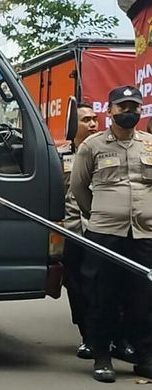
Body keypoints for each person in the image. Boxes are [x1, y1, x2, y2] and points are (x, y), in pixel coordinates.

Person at [70, 85, 152, 383]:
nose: (129, 113)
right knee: (102, 296)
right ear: (111, 110)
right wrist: (98, 215)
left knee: (143, 297)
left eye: (134, 107)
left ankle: (144, 356)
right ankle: (102, 357)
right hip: (105, 234)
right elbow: (79, 187)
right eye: (123, 107)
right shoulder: (92, 146)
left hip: (144, 234)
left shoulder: (149, 144)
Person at [60, 102, 98, 360]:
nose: (93, 124)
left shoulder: (105, 152)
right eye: (86, 120)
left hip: (102, 231)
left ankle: (117, 338)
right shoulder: (59, 157)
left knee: (105, 287)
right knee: (77, 287)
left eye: (95, 119)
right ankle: (88, 337)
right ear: (74, 126)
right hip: (73, 232)